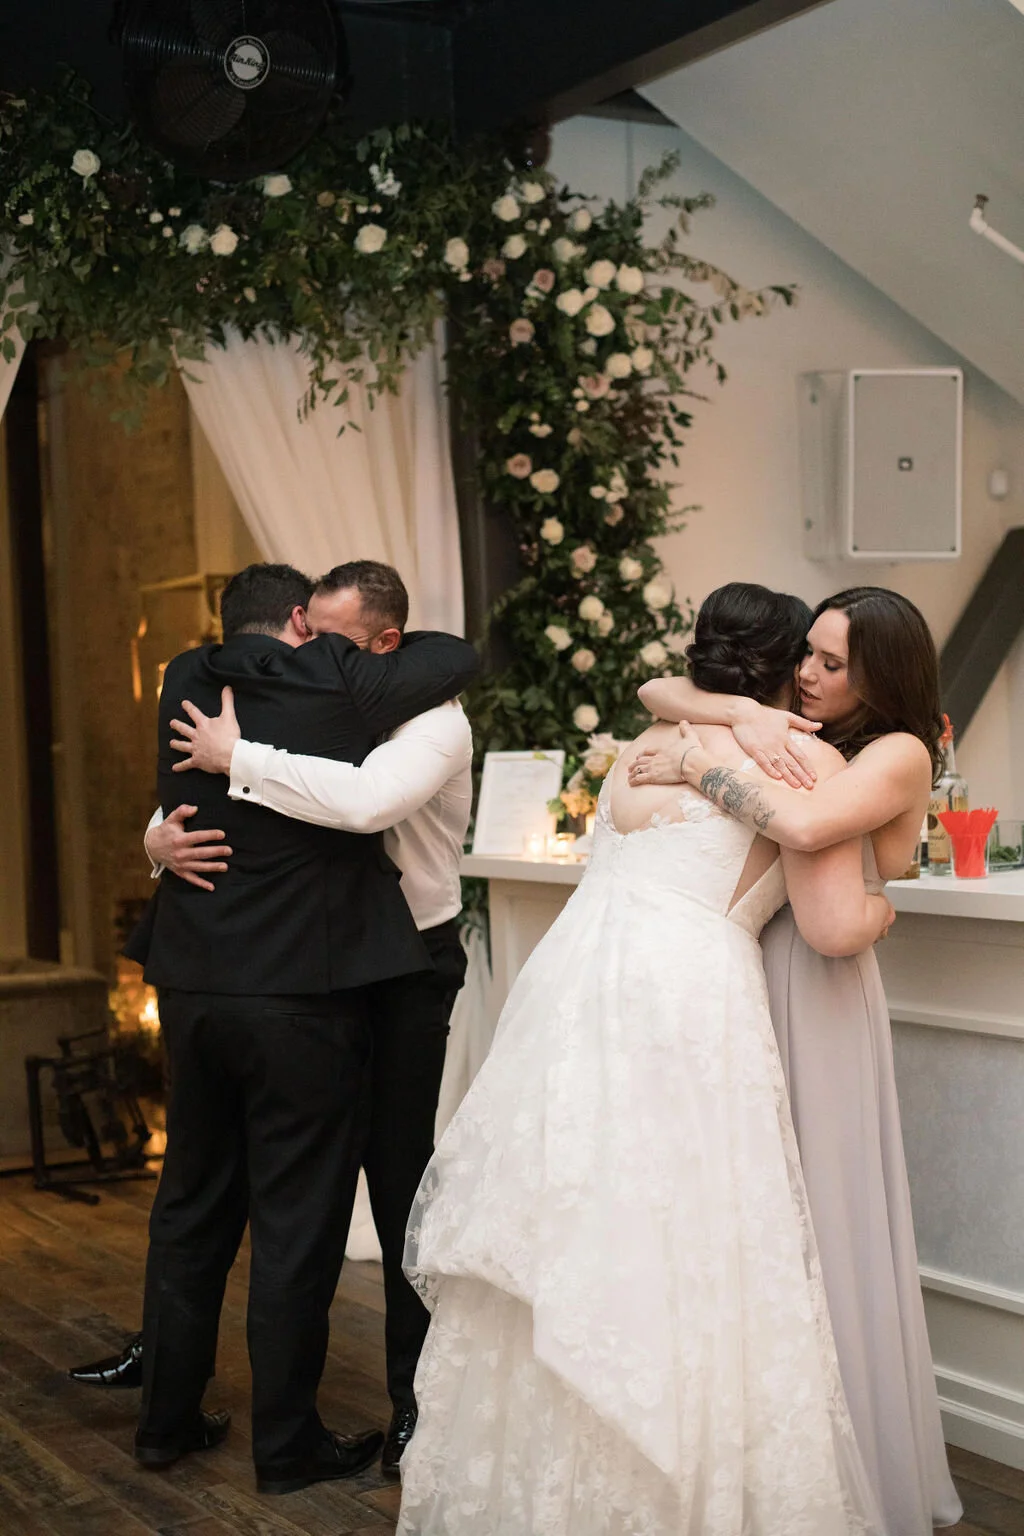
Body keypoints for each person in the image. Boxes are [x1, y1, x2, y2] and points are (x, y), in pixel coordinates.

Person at [397, 584, 890, 1536]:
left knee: (578, 1215)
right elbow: (833, 919)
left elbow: (666, 690)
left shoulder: (643, 740)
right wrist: (886, 895)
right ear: (787, 661)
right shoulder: (801, 756)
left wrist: (720, 712)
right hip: (688, 994)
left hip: (576, 984)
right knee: (692, 1229)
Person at [122, 562, 478, 1495]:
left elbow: (358, 804)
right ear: (287, 624)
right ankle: (267, 1433)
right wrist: (157, 836)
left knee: (399, 1184)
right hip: (307, 979)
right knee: (285, 1209)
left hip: (402, 972)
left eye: (339, 640)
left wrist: (235, 759)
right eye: (307, 633)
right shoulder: (292, 689)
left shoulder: (432, 717)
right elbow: (190, 799)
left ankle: (414, 1404)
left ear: (389, 647)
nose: (317, 655)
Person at [629, 585, 963, 1536]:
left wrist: (699, 762)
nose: (806, 675)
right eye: (805, 656)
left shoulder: (897, 750)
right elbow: (661, 686)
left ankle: (851, 1459)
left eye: (831, 663)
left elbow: (811, 830)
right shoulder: (801, 727)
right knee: (758, 1220)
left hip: (820, 979)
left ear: (882, 674)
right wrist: (735, 710)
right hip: (757, 963)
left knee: (825, 1213)